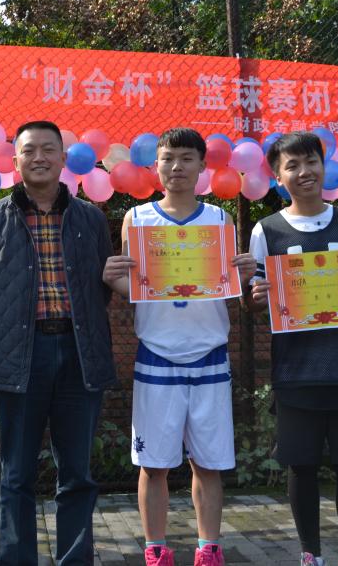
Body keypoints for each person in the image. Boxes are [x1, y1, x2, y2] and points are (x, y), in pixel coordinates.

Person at [0, 120, 116, 566]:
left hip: (78, 355)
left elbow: (101, 289)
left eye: (49, 149)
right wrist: (10, 332)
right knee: (16, 474)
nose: (39, 157)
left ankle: (74, 559)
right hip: (20, 358)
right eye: (29, 150)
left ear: (64, 159)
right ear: (15, 161)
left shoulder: (90, 218)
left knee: (77, 474)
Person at [102, 128, 256, 566]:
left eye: (187, 158)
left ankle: (209, 547)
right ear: (156, 166)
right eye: (168, 158)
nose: (176, 167)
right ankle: (155, 548)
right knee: (153, 464)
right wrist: (110, 278)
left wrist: (245, 272)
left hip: (210, 355)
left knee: (208, 463)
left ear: (203, 165)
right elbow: (130, 286)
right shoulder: (137, 219)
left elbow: (230, 284)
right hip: (157, 356)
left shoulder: (220, 220)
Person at [249, 131, 338, 566]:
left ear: (324, 166)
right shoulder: (266, 230)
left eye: (311, 161)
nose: (304, 172)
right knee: (301, 466)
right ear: (277, 177)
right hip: (297, 373)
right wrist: (256, 295)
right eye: (291, 165)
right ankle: (310, 554)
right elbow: (256, 295)